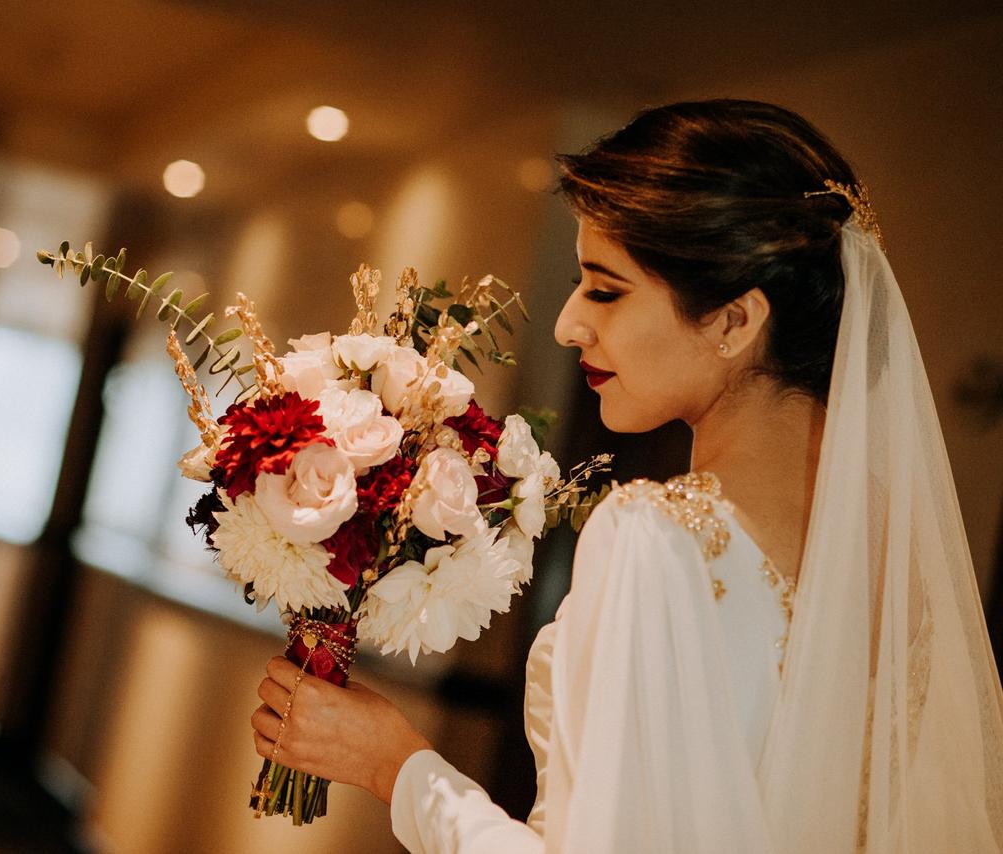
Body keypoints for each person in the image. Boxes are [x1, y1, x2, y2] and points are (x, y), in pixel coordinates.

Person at [250, 100, 1003, 853]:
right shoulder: (899, 557)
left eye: (606, 289)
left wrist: (398, 767)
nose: (568, 322)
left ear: (735, 322)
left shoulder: (654, 538)